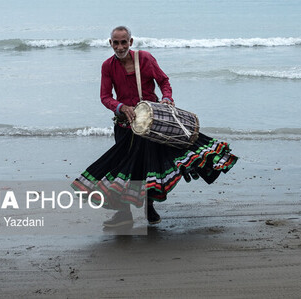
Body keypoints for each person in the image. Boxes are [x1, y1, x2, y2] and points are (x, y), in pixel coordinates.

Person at [71, 26, 238, 228]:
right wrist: (121, 107)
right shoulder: (107, 66)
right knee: (123, 171)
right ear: (110, 43)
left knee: (149, 169)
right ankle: (124, 214)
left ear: (131, 42)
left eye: (124, 42)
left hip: (151, 125)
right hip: (125, 127)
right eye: (116, 42)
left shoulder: (145, 59)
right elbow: (105, 97)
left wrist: (167, 98)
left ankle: (149, 209)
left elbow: (164, 81)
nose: (120, 46)